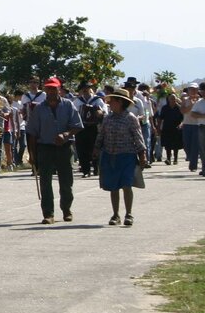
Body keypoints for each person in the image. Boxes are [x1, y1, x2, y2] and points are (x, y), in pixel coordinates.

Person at [26, 77, 83, 224]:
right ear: (45, 90)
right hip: (45, 148)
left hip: (64, 148)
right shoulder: (39, 108)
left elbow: (77, 125)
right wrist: (32, 155)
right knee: (45, 182)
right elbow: (32, 133)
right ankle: (48, 214)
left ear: (59, 89)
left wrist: (66, 134)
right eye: (48, 88)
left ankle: (66, 209)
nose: (51, 91)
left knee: (66, 182)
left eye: (54, 88)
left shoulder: (68, 105)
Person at [93, 88, 146, 226]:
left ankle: (128, 214)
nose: (110, 103)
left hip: (127, 156)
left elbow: (138, 138)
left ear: (121, 102)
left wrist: (142, 156)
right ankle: (115, 215)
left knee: (127, 185)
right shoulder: (107, 119)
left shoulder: (131, 118)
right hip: (110, 156)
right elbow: (101, 135)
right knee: (113, 187)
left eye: (113, 101)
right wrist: (96, 149)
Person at [73, 81, 105, 178]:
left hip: (94, 127)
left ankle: (96, 168)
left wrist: (100, 112)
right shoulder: (77, 101)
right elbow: (73, 113)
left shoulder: (97, 100)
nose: (86, 90)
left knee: (95, 147)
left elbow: (105, 111)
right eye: (84, 89)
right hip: (81, 128)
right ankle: (86, 170)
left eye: (88, 88)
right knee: (81, 149)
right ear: (81, 91)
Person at [157, 93, 184, 165]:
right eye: (171, 99)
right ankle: (168, 159)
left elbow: (183, 118)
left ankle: (175, 159)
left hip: (176, 128)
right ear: (168, 100)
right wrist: (158, 128)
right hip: (167, 128)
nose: (173, 100)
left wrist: (181, 124)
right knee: (167, 145)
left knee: (176, 145)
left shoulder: (179, 107)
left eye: (174, 99)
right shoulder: (164, 108)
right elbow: (160, 118)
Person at [180, 85, 201, 172]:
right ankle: (190, 157)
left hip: (197, 124)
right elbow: (182, 111)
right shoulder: (185, 100)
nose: (192, 91)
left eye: (194, 89)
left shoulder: (200, 101)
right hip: (187, 124)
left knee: (195, 145)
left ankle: (193, 165)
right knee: (187, 144)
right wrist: (191, 105)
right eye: (190, 89)